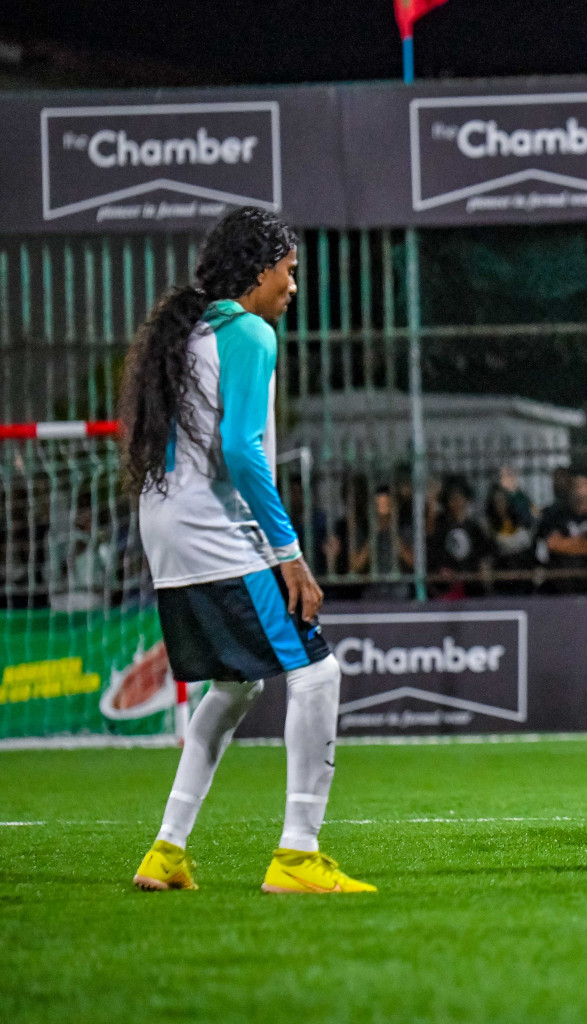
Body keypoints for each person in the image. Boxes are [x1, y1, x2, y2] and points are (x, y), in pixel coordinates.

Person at [119, 207, 371, 895]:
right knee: (317, 674)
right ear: (259, 272)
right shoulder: (250, 332)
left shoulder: (188, 331)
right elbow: (240, 449)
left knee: (235, 686)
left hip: (164, 532)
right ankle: (297, 854)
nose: (293, 288)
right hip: (210, 532)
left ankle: (167, 852)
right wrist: (289, 552)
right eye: (289, 273)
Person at [538, 474, 587, 595]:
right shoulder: (556, 514)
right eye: (575, 485)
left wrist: (567, 543)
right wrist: (584, 543)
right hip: (560, 586)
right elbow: (552, 544)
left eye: (583, 484)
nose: (578, 488)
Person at [427, 475, 492, 599]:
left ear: (466, 500)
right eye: (453, 499)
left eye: (460, 498)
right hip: (448, 586)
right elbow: (434, 548)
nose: (457, 503)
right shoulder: (442, 524)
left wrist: (483, 579)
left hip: (471, 586)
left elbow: (483, 555)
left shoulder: (474, 527)